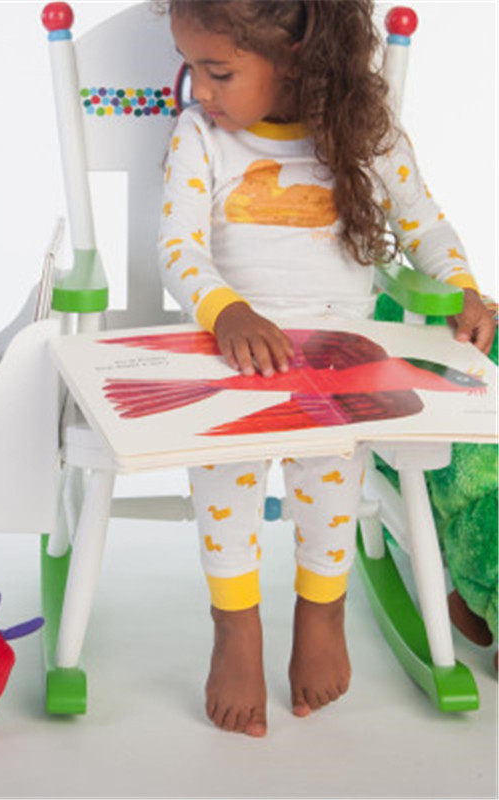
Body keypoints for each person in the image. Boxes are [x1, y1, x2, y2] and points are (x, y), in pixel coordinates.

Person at [157, 0, 496, 738]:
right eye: (190, 67)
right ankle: (235, 625)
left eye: (218, 72)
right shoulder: (200, 137)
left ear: (297, 58)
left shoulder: (365, 134)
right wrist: (227, 310)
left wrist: (461, 286)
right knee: (224, 472)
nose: (198, 90)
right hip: (232, 349)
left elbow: (423, 223)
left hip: (341, 358)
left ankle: (323, 607)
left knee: (330, 472)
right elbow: (179, 248)